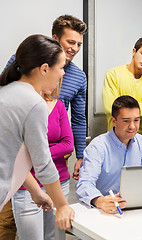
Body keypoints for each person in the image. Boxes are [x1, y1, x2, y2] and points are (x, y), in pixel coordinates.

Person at [0, 34, 74, 231]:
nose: (63, 74)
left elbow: (12, 156)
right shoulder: (34, 103)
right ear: (44, 69)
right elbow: (42, 163)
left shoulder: (7, 92)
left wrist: (36, 191)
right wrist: (62, 206)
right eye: (60, 67)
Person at [5, 14, 88, 180]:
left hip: (55, 149)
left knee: (52, 199)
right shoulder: (22, 60)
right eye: (70, 42)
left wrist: (81, 155)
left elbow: (78, 119)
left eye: (79, 44)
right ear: (55, 39)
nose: (75, 48)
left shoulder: (79, 77)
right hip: (18, 146)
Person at [12, 78, 74, 239]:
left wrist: (35, 152)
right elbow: (14, 151)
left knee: (54, 237)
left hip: (59, 182)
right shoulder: (17, 107)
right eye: (58, 70)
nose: (61, 75)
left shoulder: (58, 106)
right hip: (27, 186)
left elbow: (68, 144)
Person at [76, 96, 142, 214]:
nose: (132, 126)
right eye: (126, 121)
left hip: (134, 208)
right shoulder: (97, 147)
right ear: (114, 121)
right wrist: (100, 201)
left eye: (136, 120)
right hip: (104, 210)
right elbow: (84, 184)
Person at [103, 36, 142, 145]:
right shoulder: (113, 75)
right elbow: (110, 108)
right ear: (134, 51)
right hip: (115, 141)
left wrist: (122, 106)